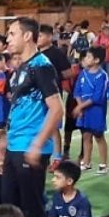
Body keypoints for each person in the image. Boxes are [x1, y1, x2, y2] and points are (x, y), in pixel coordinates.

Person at [3, 17, 64, 217]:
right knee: (8, 203)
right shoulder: (20, 69)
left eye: (12, 33)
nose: (7, 39)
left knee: (33, 205)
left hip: (31, 146)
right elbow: (18, 109)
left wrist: (38, 145)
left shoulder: (42, 66)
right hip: (15, 145)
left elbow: (57, 108)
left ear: (28, 36)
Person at [39, 24, 75, 168]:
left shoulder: (57, 53)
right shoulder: (35, 52)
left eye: (41, 36)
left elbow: (69, 72)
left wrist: (53, 77)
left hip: (52, 94)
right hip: (37, 96)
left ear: (49, 37)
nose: (38, 39)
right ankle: (43, 155)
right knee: (39, 125)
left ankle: (57, 157)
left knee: (53, 127)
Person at [72, 46, 109, 173]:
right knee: (86, 136)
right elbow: (77, 91)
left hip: (96, 111)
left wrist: (80, 107)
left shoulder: (102, 76)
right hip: (83, 111)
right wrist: (79, 105)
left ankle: (104, 164)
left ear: (97, 60)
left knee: (99, 137)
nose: (85, 59)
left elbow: (97, 97)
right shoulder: (83, 73)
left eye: (88, 57)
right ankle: (86, 162)